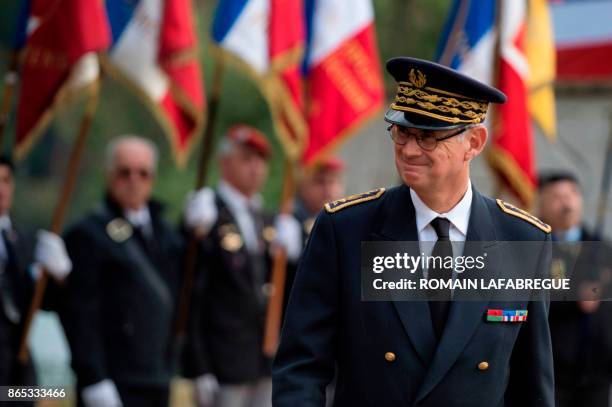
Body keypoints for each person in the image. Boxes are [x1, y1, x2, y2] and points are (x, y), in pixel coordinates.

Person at [273, 57, 554, 407]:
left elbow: (533, 385)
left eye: (429, 137)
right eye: (402, 131)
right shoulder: (346, 228)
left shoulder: (522, 239)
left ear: (475, 142)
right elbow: (301, 367)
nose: (409, 149)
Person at [60, 137, 184, 407]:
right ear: (109, 175)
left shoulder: (165, 234)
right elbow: (81, 314)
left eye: (143, 173)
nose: (134, 180)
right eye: (124, 172)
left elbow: (185, 291)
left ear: (153, 178)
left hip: (156, 376)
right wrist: (93, 377)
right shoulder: (87, 234)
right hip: (112, 380)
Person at [183, 125, 301, 407]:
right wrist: (197, 365)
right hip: (222, 361)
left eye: (261, 160)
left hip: (265, 357)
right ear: (224, 162)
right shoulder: (207, 212)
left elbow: (281, 291)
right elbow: (192, 292)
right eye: (247, 159)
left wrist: (295, 257)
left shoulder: (268, 219)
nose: (256, 168)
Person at [0, 155, 72, 401]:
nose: (1, 189)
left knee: (53, 394)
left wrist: (60, 277)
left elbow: (47, 303)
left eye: (6, 180)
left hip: (17, 371)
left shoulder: (25, 241)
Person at [538, 172, 612, 407]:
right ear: (542, 202)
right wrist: (572, 298)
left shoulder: (603, 249)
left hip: (597, 370)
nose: (566, 203)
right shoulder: (534, 249)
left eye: (571, 194)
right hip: (551, 369)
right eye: (557, 197)